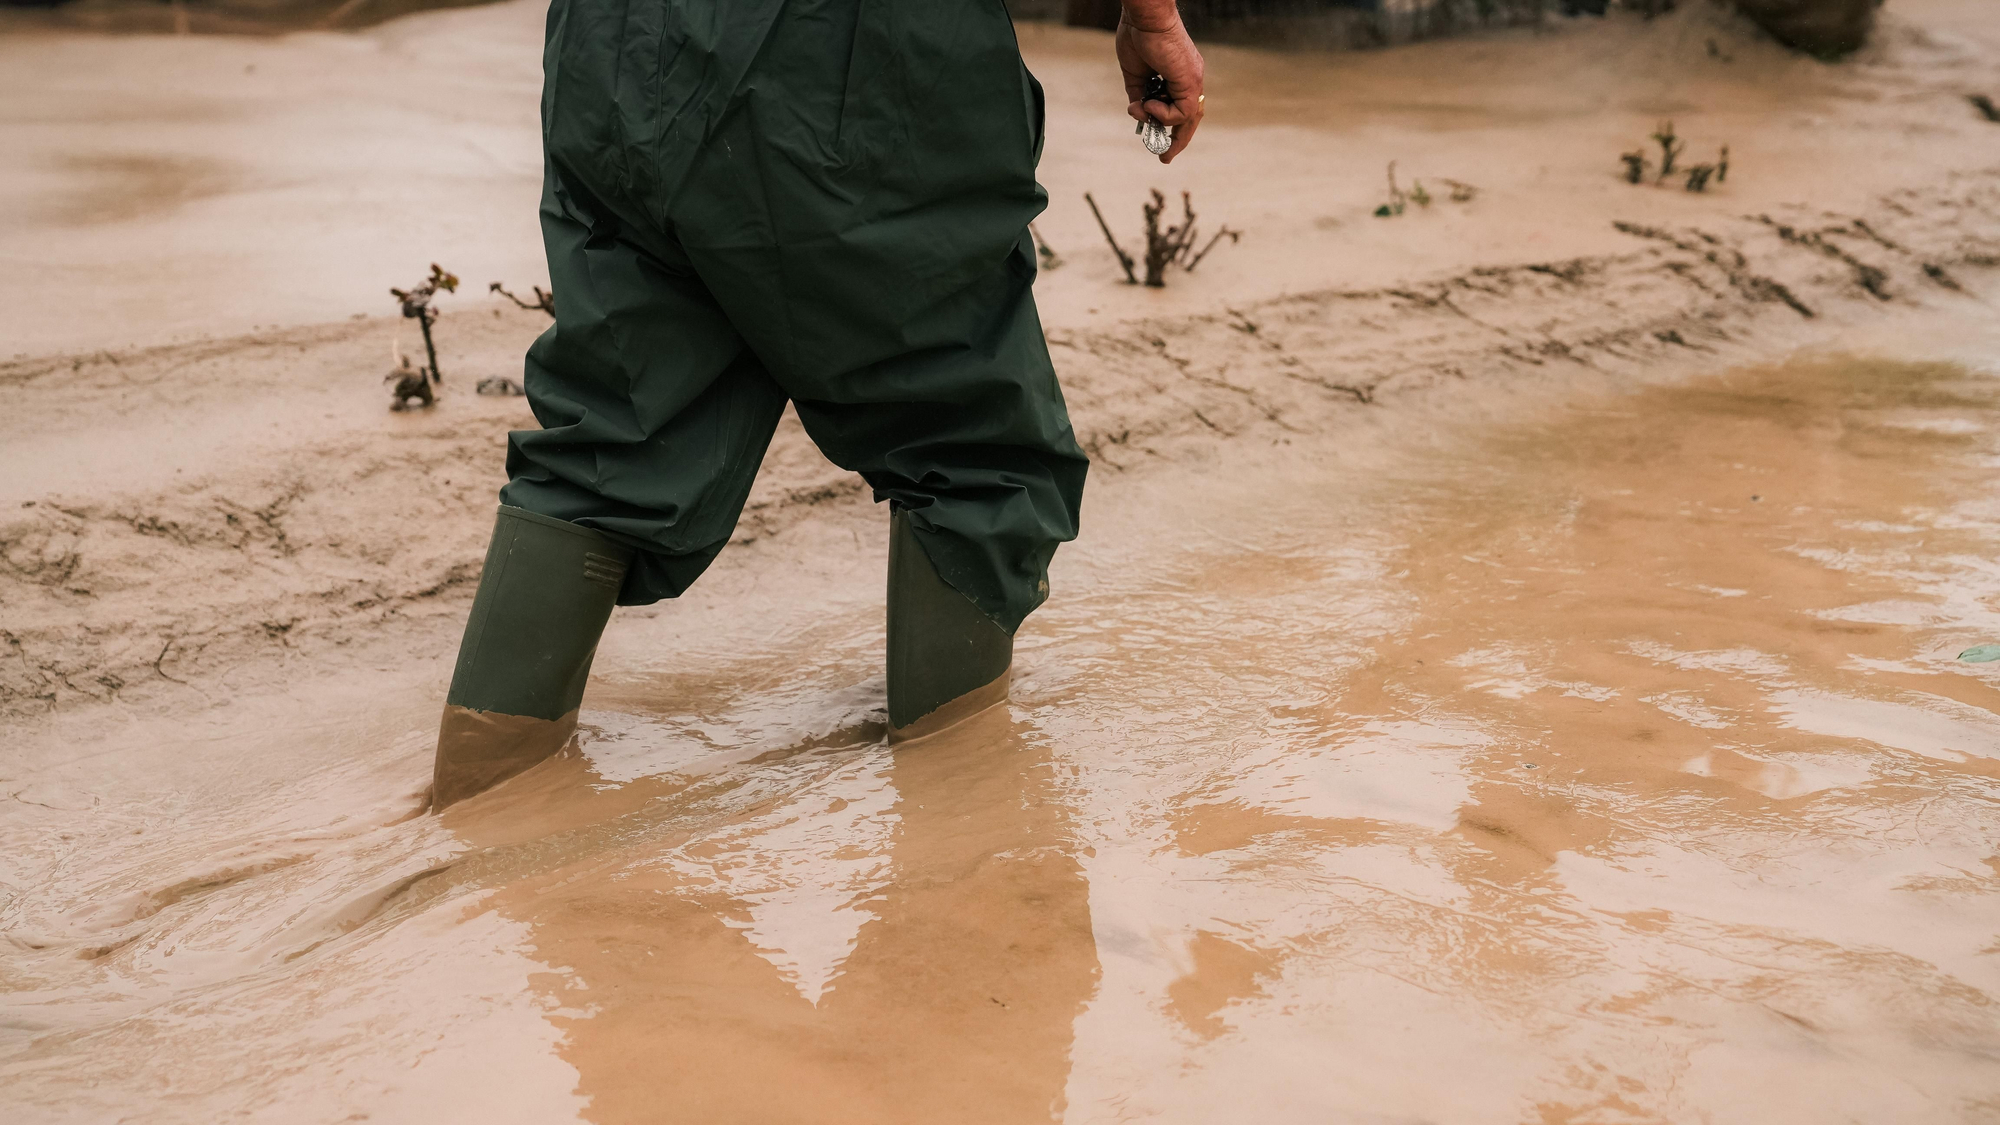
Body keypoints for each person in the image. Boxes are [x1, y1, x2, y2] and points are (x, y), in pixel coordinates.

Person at [431, 0, 1207, 809]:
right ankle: (960, 828)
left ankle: (471, 817)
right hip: (848, 45)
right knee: (972, 447)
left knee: (615, 430)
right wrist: (1151, 17)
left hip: (613, 37)